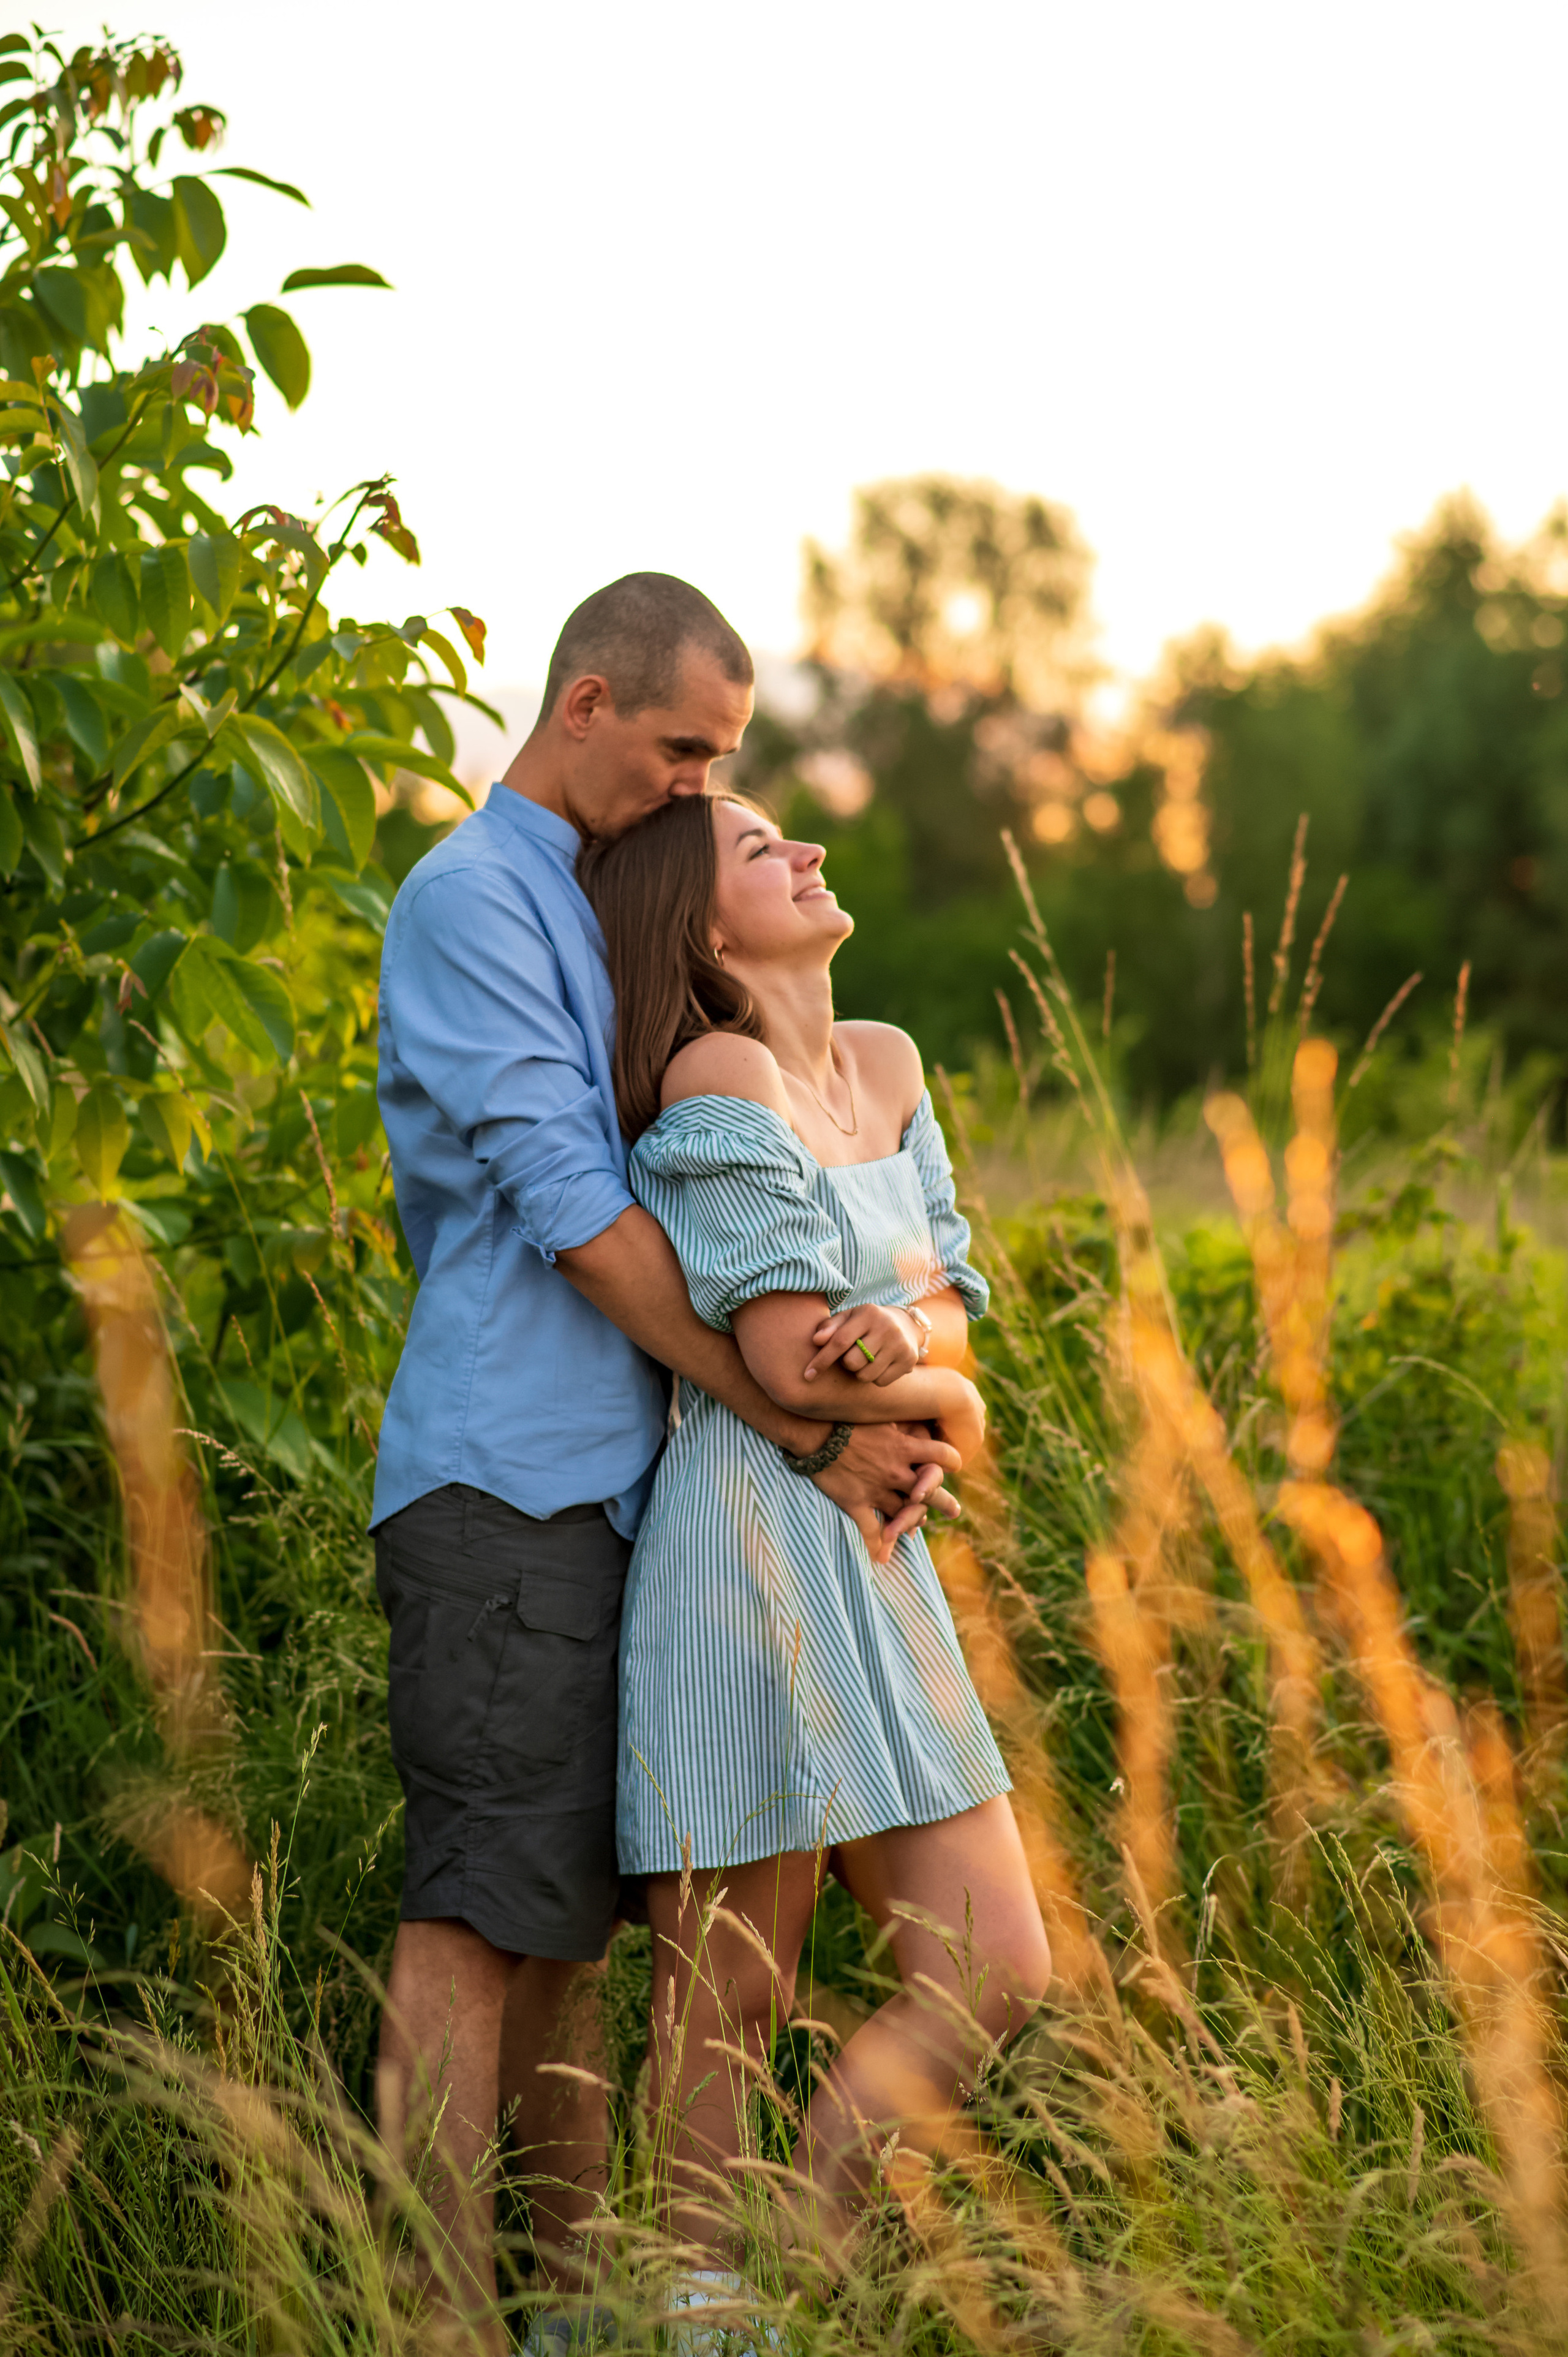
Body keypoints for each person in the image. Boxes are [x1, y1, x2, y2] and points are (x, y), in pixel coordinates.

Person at [368, 573, 965, 2350]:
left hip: (626, 1496)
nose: (707, 785)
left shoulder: (604, 905)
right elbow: (579, 1217)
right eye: (686, 747)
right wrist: (795, 1417)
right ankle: (433, 2320)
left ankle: (567, 2316)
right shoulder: (475, 899)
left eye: (729, 756)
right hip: (509, 1479)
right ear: (586, 707)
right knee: (480, 1930)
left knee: (564, 1944)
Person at [578, 791, 1052, 2306]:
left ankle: (792, 2235)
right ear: (705, 929)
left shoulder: (890, 1065)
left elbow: (955, 1303)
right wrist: (943, 1382)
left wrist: (921, 1352)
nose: (809, 852)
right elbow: (790, 1360)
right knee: (729, 1994)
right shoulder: (713, 1074)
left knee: (993, 1967)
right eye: (759, 847)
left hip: (881, 1546)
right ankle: (707, 2316)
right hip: (750, 1545)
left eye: (797, 831)